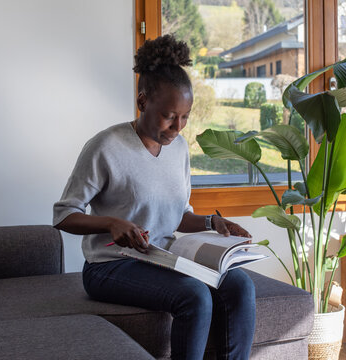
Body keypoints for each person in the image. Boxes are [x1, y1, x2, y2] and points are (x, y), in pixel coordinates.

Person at [53, 34, 256, 360]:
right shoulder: (106, 147)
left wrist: (212, 222)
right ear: (143, 101)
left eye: (185, 116)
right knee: (194, 296)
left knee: (240, 285)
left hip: (163, 258)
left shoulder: (179, 150)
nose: (178, 126)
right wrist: (111, 223)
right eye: (169, 115)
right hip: (110, 266)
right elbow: (63, 215)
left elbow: (178, 216)